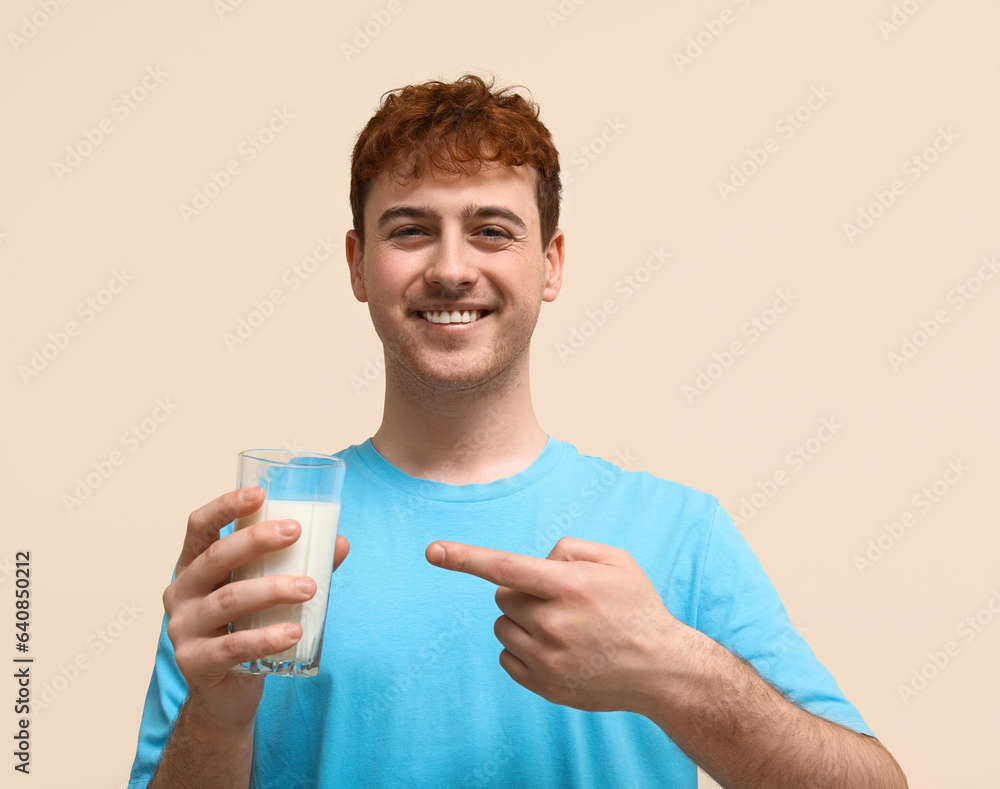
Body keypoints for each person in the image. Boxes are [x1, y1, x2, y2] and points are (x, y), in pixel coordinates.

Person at [128, 74, 907, 788]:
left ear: (551, 264)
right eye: (410, 230)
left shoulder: (679, 532)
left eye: (493, 230)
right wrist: (220, 714)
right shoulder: (265, 543)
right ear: (358, 265)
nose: (452, 268)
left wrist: (674, 667)